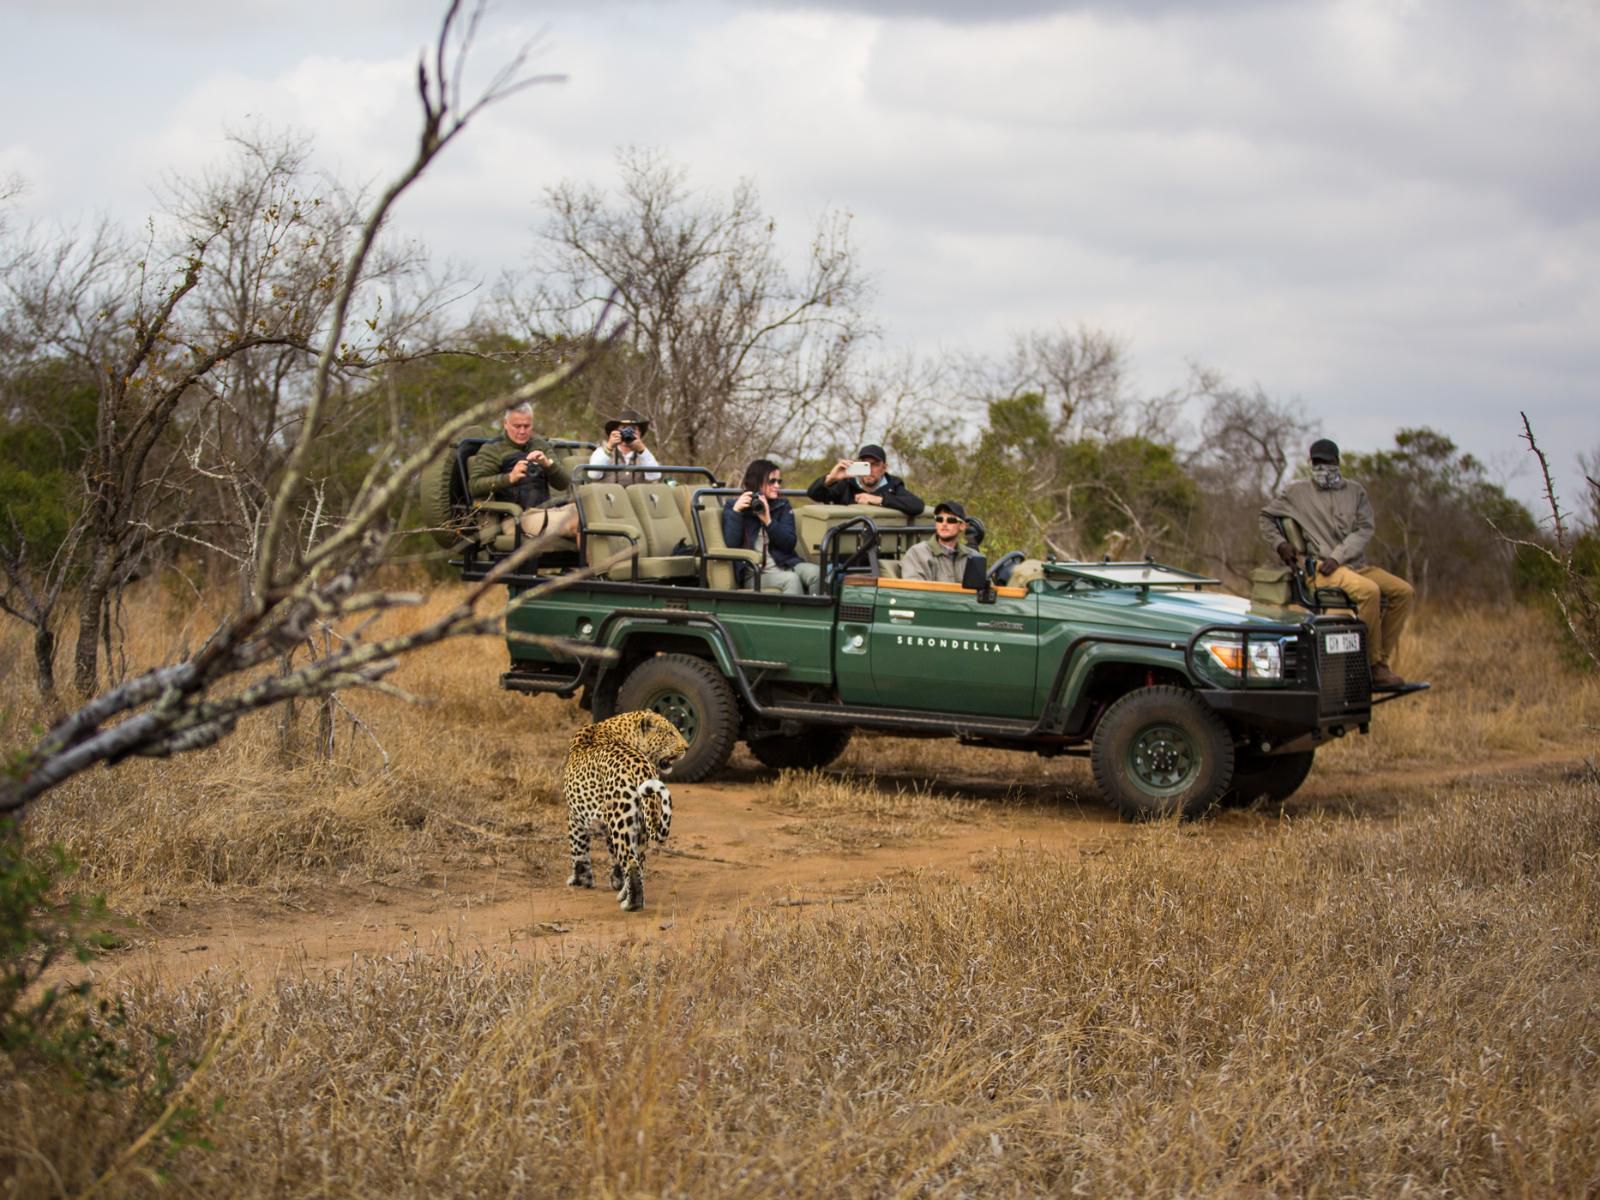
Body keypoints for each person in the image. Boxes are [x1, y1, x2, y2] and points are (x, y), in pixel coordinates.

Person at [1259, 438, 1415, 689]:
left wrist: (1339, 556)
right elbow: (1266, 516)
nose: (1322, 468)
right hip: (1320, 568)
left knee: (1403, 592)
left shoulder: (1355, 492)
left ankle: (1379, 660)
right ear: (1311, 463)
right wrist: (1280, 544)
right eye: (1317, 463)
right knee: (1369, 591)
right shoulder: (1297, 493)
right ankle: (1372, 666)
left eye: (1327, 462)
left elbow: (1364, 529)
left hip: (1353, 564)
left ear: (1338, 462)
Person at [467, 401, 579, 541]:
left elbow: (563, 484)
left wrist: (548, 465)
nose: (522, 431)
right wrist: (509, 478)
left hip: (545, 511)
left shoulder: (540, 445)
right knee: (580, 523)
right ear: (505, 424)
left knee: (592, 515)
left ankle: (595, 563)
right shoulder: (493, 449)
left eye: (527, 426)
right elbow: (474, 486)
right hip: (516, 518)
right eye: (517, 426)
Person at [721, 459, 821, 595]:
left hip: (785, 564)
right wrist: (736, 512)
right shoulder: (734, 506)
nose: (777, 485)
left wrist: (768, 521)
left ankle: (816, 615)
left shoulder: (782, 506)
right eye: (772, 481)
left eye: (779, 481)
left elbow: (789, 544)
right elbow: (731, 544)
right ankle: (795, 616)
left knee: (818, 573)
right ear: (756, 482)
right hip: (755, 574)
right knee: (791, 580)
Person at [806, 443, 924, 517]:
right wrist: (831, 478)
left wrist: (878, 500)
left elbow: (917, 505)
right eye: (865, 464)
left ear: (884, 468)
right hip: (847, 547)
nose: (870, 470)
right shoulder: (846, 484)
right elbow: (813, 494)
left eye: (875, 464)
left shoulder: (893, 486)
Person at [901, 500, 981, 584]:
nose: (944, 524)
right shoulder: (917, 553)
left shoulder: (973, 557)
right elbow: (915, 592)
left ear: (962, 526)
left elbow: (985, 591)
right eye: (939, 519)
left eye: (951, 520)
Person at [587, 406, 661, 484]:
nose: (628, 432)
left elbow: (654, 476)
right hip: (609, 495)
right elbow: (593, 475)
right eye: (623, 428)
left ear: (640, 434)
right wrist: (609, 446)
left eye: (633, 429)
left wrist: (642, 450)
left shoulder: (645, 456)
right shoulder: (601, 452)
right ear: (615, 432)